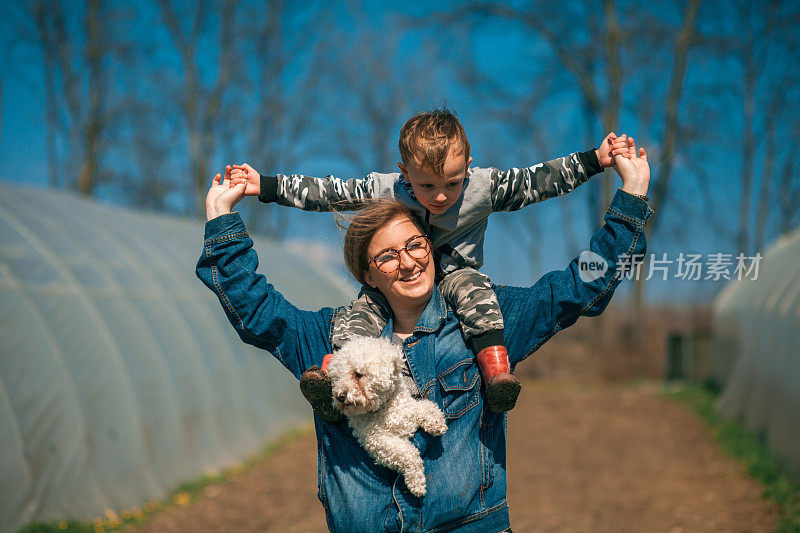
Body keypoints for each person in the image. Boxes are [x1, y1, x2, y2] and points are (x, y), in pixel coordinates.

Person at [197, 136, 651, 532]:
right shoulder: (331, 336)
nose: (408, 261)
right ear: (369, 275)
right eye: (387, 256)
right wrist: (221, 218)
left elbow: (579, 287)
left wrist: (631, 197)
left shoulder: (487, 319)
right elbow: (256, 309)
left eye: (415, 246)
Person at [226, 108, 631, 418]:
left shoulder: (485, 188)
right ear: (404, 172)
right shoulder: (383, 190)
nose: (440, 196)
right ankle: (337, 377)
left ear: (469, 164)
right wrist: (266, 186)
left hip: (458, 274)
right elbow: (328, 193)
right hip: (391, 289)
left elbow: (539, 180)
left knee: (479, 298)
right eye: (426, 186)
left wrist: (596, 159)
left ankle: (495, 370)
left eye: (452, 183)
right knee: (360, 314)